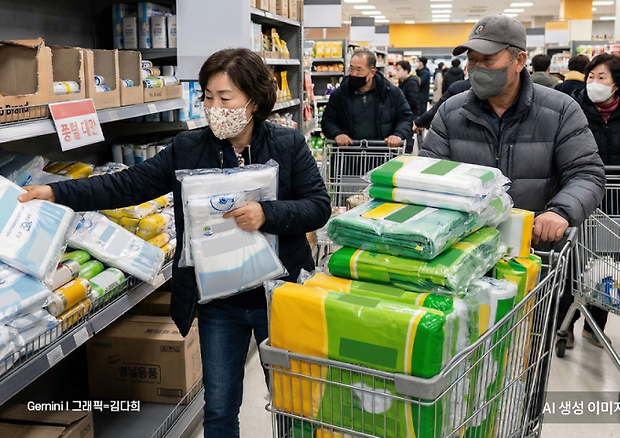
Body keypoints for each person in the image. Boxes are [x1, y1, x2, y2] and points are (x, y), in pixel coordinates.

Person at [18, 48, 332, 438]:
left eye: (225, 98)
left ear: (253, 101)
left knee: (293, 404)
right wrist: (56, 192)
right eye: (208, 97)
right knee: (219, 409)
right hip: (219, 301)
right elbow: (127, 185)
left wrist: (267, 213)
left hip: (279, 296)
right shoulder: (189, 148)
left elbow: (318, 207)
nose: (214, 108)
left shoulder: (288, 145)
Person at [419, 12, 605, 421]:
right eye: (471, 60)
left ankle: (523, 421)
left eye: (487, 60)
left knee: (526, 357)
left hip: (533, 262)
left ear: (519, 60)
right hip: (463, 262)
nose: (475, 68)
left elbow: (587, 174)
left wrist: (560, 211)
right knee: (459, 358)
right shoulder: (452, 112)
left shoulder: (560, 110)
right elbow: (427, 176)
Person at [557, 53, 620, 348]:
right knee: (574, 265)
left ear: (618, 84)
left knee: (610, 266)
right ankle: (565, 325)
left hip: (617, 199)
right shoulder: (574, 108)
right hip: (580, 196)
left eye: (601, 77)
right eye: (591, 76)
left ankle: (594, 326)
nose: (594, 82)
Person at [321, 50, 413, 148]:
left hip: (383, 152)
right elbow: (327, 120)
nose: (353, 74)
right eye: (351, 69)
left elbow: (405, 118)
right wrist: (337, 134)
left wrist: (397, 135)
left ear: (372, 72)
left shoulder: (391, 93)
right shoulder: (340, 94)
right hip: (348, 153)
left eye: (359, 70)